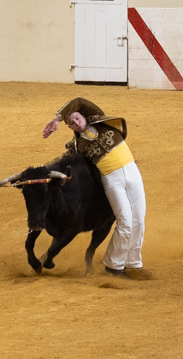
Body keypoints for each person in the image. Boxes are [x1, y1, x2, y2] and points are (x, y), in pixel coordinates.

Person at [41, 98, 150, 280]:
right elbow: (63, 160)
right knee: (125, 221)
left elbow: (78, 100)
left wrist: (57, 119)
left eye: (77, 118)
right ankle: (114, 266)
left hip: (133, 172)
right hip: (111, 179)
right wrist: (40, 170)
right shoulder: (78, 146)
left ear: (83, 115)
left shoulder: (100, 120)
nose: (76, 123)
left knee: (138, 219)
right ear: (70, 127)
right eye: (71, 123)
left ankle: (134, 263)